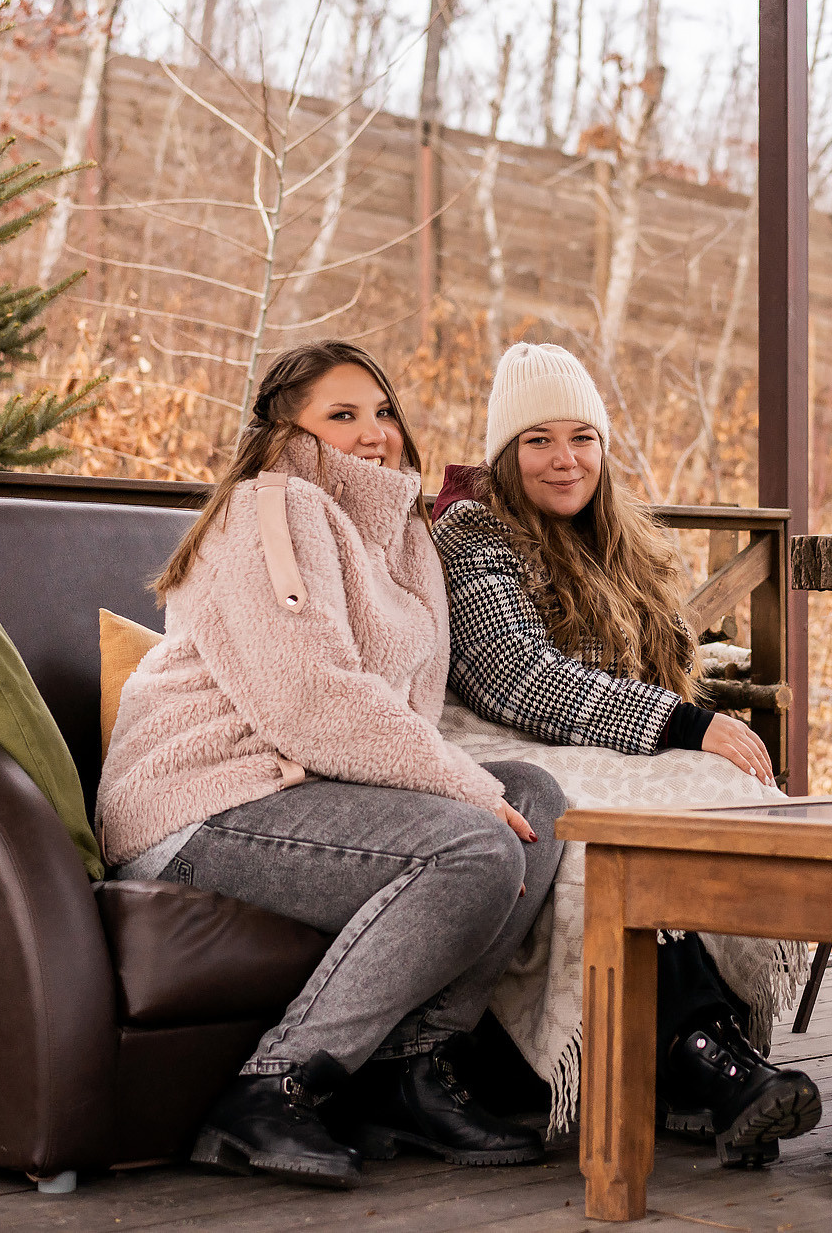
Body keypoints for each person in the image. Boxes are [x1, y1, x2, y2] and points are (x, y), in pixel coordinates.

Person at [96, 341, 567, 1191]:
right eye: (341, 415)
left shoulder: (402, 538)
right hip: (200, 805)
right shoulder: (269, 508)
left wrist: (476, 784)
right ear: (287, 431)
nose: (374, 433)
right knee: (476, 842)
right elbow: (311, 700)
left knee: (534, 798)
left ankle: (409, 1071)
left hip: (302, 796)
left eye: (383, 412)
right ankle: (269, 1090)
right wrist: (462, 788)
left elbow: (402, 707)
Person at [430, 341, 818, 1166]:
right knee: (602, 836)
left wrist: (695, 737)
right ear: (504, 452)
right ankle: (711, 1066)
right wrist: (682, 724)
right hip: (495, 745)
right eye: (538, 440)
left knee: (721, 791)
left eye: (582, 437)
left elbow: (660, 667)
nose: (565, 458)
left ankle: (715, 1055)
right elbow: (515, 677)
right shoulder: (472, 531)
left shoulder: (618, 539)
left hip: (596, 740)